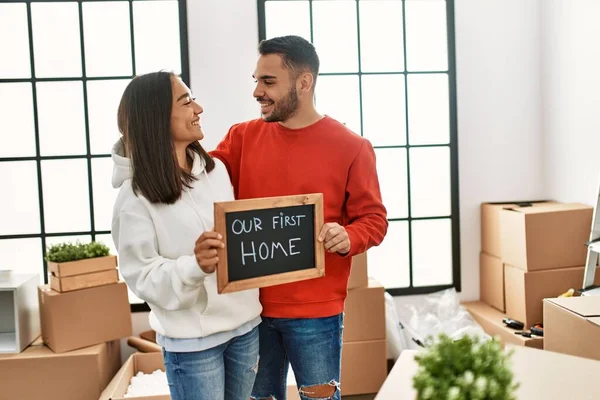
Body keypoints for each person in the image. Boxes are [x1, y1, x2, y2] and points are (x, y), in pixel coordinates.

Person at [211, 35, 388, 400]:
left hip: (316, 313)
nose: (257, 91)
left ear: (304, 83)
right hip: (249, 311)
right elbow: (198, 178)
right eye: (256, 81)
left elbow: (373, 219)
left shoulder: (352, 147)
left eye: (269, 81)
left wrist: (349, 237)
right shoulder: (241, 138)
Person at [111, 71, 262, 400]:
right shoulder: (134, 198)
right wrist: (194, 265)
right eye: (186, 101)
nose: (199, 108)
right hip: (193, 345)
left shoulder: (216, 172)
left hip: (246, 328)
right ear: (156, 117)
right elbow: (142, 275)